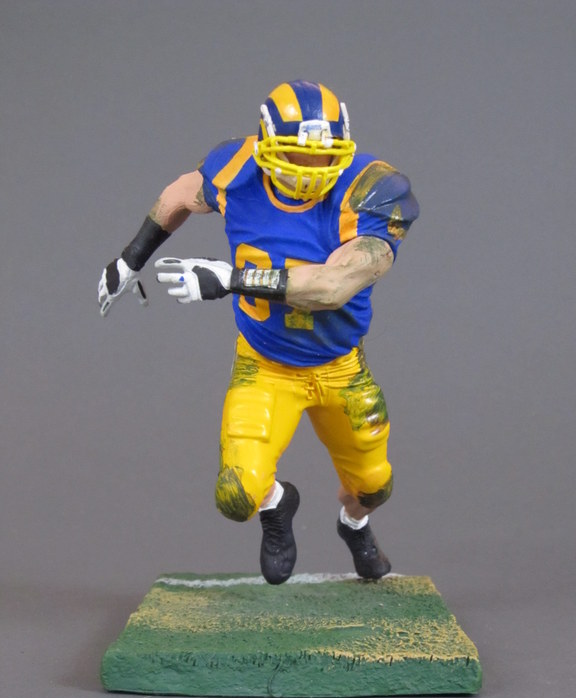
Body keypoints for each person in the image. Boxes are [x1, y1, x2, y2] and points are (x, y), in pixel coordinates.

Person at [98, 80, 419, 585]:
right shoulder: (236, 169)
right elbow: (181, 192)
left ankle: (354, 524)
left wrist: (231, 280)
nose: (310, 168)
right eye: (296, 154)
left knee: (375, 485)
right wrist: (130, 258)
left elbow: (332, 286)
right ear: (267, 145)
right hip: (264, 365)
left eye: (323, 156)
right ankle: (277, 504)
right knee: (236, 494)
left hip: (341, 367)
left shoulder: (371, 190)